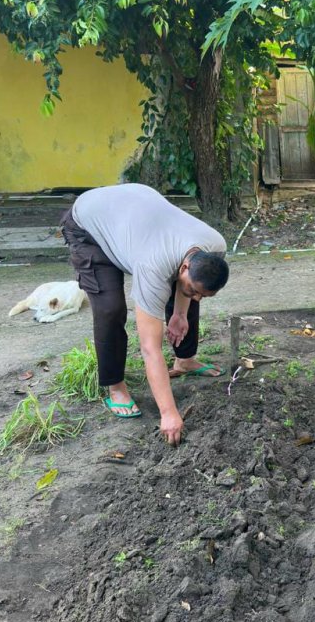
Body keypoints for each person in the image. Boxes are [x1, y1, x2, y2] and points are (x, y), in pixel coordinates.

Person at [60, 184, 230, 446]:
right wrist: (169, 412)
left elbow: (189, 287)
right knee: (110, 308)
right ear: (184, 266)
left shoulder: (214, 247)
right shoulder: (154, 266)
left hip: (132, 216)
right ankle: (115, 387)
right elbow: (150, 349)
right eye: (195, 291)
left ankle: (185, 361)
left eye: (205, 296)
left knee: (189, 290)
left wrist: (181, 313)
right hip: (89, 226)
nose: (197, 298)